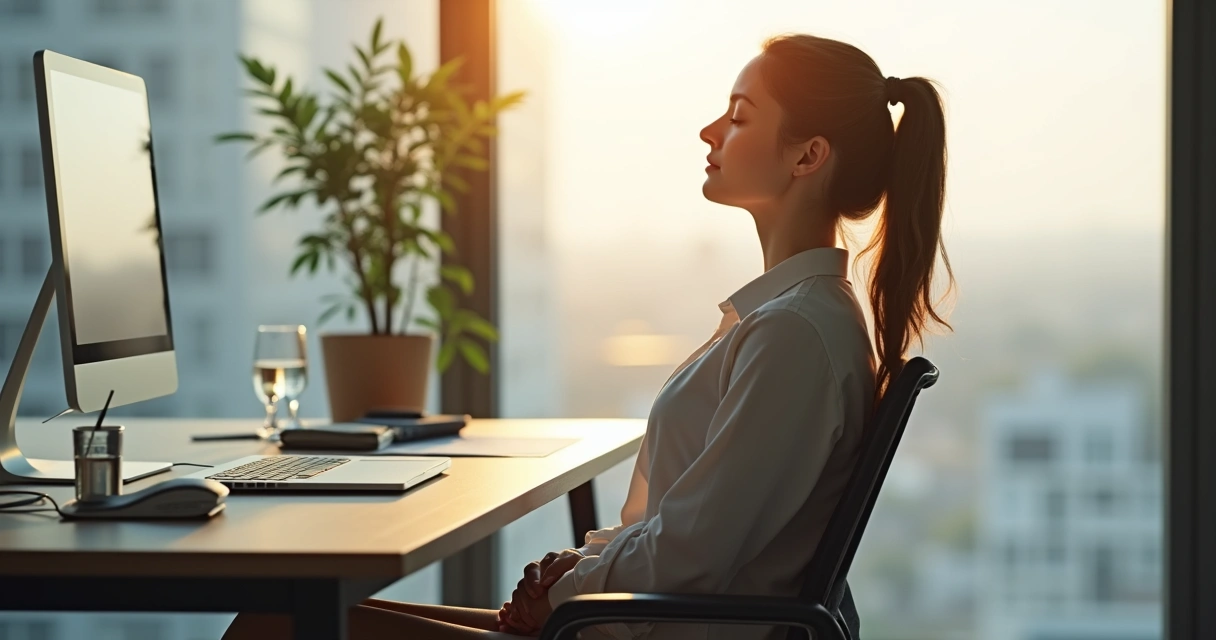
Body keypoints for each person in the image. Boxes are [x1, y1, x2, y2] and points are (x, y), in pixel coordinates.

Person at [223, 31, 954, 640]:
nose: (710, 131)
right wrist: (572, 571)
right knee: (293, 617)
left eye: (738, 116)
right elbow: (684, 527)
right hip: (632, 618)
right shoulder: (790, 318)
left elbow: (693, 553)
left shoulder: (794, 333)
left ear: (807, 156)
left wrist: (566, 591)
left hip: (652, 629)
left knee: (272, 627)